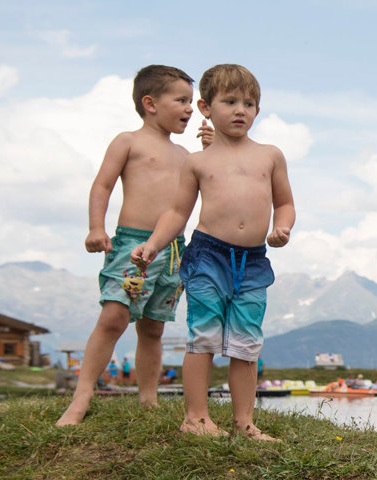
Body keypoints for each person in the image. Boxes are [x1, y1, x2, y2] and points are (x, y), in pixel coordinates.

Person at [133, 64, 295, 441]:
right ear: (206, 107)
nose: (242, 110)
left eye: (250, 103)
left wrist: (282, 227)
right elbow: (177, 212)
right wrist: (153, 244)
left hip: (253, 261)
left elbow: (285, 202)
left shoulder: (270, 156)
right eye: (231, 101)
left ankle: (244, 422)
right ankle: (196, 418)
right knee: (203, 336)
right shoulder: (198, 161)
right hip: (207, 256)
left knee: (247, 342)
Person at [56, 65, 197, 427]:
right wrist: (95, 227)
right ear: (150, 103)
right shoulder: (127, 141)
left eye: (191, 102)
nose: (190, 108)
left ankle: (148, 400)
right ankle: (83, 393)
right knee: (114, 316)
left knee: (153, 327)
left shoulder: (186, 156)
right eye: (181, 100)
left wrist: (213, 151)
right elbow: (102, 185)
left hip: (173, 251)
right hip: (132, 246)